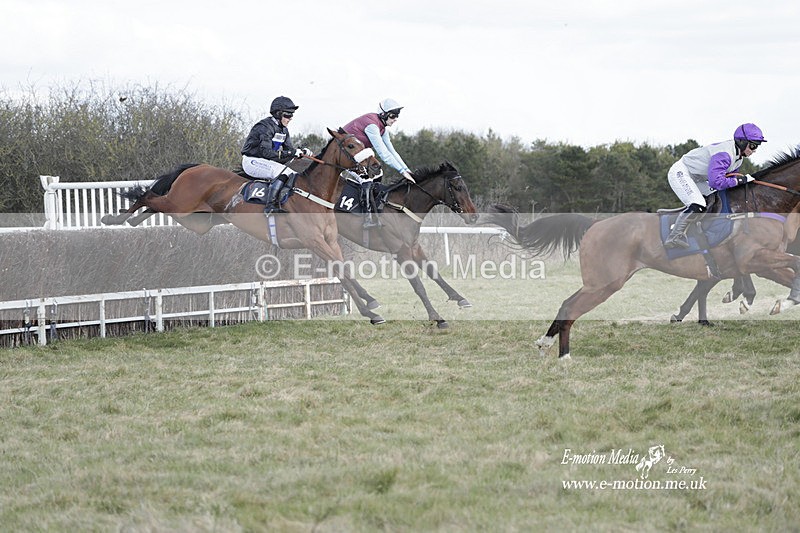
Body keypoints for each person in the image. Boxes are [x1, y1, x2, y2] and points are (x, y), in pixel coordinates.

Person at [664, 123, 766, 249]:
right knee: (698, 203)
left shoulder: (738, 158)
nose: (754, 150)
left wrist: (743, 182)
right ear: (742, 142)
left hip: (697, 177)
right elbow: (716, 182)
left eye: (757, 146)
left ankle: (696, 229)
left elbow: (729, 180)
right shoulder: (725, 154)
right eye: (753, 145)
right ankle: (674, 235)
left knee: (714, 199)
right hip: (682, 172)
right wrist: (740, 181)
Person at [342, 98, 415, 227]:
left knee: (377, 174)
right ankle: (366, 219)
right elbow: (384, 155)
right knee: (366, 179)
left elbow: (392, 151)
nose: (395, 119)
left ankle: (372, 211)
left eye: (397, 116)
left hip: (354, 153)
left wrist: (407, 170)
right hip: (341, 153)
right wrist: (402, 172)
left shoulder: (382, 129)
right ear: (383, 114)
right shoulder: (372, 126)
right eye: (393, 116)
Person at [241, 96, 313, 212]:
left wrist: (301, 152)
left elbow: (289, 150)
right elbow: (266, 153)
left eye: (292, 115)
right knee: (284, 172)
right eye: (288, 115)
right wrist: (292, 152)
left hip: (265, 161)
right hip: (252, 161)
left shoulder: (284, 130)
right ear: (278, 114)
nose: (290, 118)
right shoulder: (264, 127)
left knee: (293, 173)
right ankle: (271, 206)